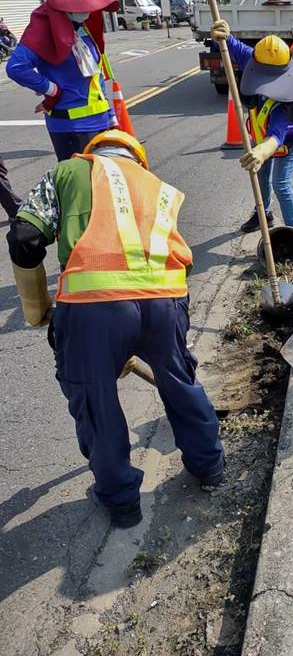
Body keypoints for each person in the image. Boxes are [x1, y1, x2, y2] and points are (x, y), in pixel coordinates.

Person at [6, 130, 224, 528]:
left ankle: (122, 501)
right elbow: (181, 260)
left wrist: (39, 309)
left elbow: (24, 236)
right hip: (165, 302)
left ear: (91, 153)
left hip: (94, 311)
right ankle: (209, 467)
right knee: (179, 380)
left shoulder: (69, 171)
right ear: (137, 159)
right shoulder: (158, 186)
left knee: (96, 401)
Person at [6, 0, 119, 162]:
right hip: (71, 128)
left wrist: (110, 114)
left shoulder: (84, 25)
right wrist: (52, 90)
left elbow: (95, 75)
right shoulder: (43, 25)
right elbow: (16, 67)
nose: (86, 9)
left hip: (100, 123)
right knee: (82, 191)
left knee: (105, 189)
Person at [210, 20, 293, 233]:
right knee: (261, 178)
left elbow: (278, 134)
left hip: (287, 142)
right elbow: (232, 46)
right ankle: (263, 213)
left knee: (280, 185)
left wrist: (262, 151)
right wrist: (222, 35)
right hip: (260, 135)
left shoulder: (286, 100)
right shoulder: (254, 60)